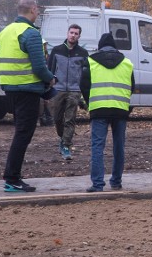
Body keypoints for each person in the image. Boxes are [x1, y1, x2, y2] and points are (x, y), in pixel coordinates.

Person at [0, 0, 56, 192]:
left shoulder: (5, 31)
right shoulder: (30, 33)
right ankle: (12, 178)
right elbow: (39, 67)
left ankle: (12, 176)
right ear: (32, 9)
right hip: (27, 90)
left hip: (10, 89)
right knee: (23, 134)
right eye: (37, 10)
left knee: (20, 132)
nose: (38, 14)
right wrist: (51, 78)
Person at [80, 32, 135, 192]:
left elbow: (83, 84)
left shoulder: (90, 61)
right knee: (119, 146)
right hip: (120, 109)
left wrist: (90, 102)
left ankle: (97, 184)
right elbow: (131, 86)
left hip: (98, 109)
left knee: (98, 146)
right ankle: (116, 181)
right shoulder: (127, 63)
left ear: (100, 46)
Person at [47, 24, 89, 160]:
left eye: (76, 33)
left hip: (74, 90)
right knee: (57, 119)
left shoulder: (82, 53)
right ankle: (62, 138)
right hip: (58, 90)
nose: (73, 35)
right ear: (67, 33)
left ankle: (66, 146)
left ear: (79, 36)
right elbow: (50, 69)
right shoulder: (57, 50)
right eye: (71, 32)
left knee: (70, 119)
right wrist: (50, 84)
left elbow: (86, 73)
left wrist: (83, 91)